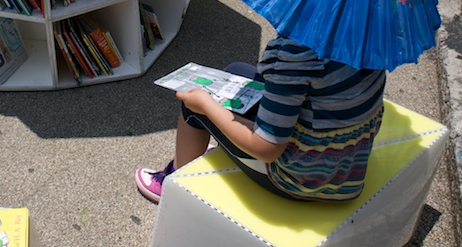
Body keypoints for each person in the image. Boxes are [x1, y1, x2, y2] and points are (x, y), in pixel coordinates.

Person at [134, 36, 386, 203]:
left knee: (195, 105)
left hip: (301, 180)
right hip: (349, 167)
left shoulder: (294, 54)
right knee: (236, 73)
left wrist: (207, 106)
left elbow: (266, 149)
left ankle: (173, 185)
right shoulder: (367, 33)